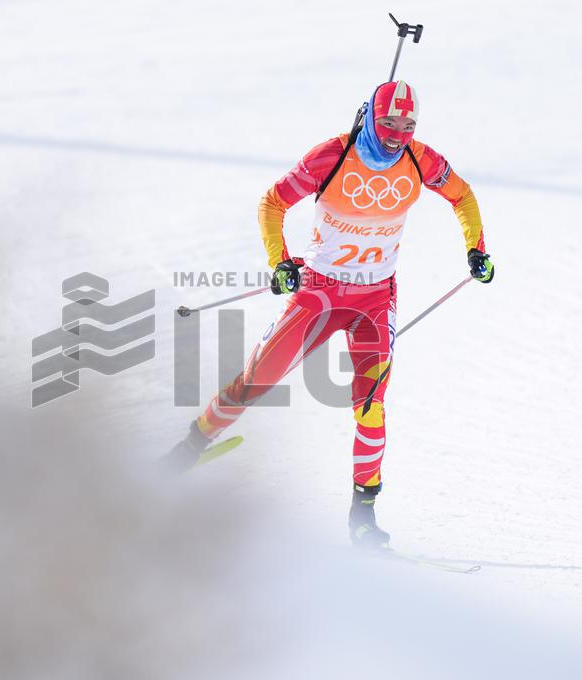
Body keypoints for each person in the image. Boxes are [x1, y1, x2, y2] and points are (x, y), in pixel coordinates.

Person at [164, 80, 494, 547]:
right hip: (319, 294)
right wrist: (280, 261)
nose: (398, 133)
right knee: (257, 381)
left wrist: (476, 249)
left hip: (375, 301)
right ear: (370, 117)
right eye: (389, 123)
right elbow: (273, 202)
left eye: (409, 124)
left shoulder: (423, 160)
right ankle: (193, 445)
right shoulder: (333, 155)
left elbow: (462, 196)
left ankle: (363, 516)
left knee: (371, 407)